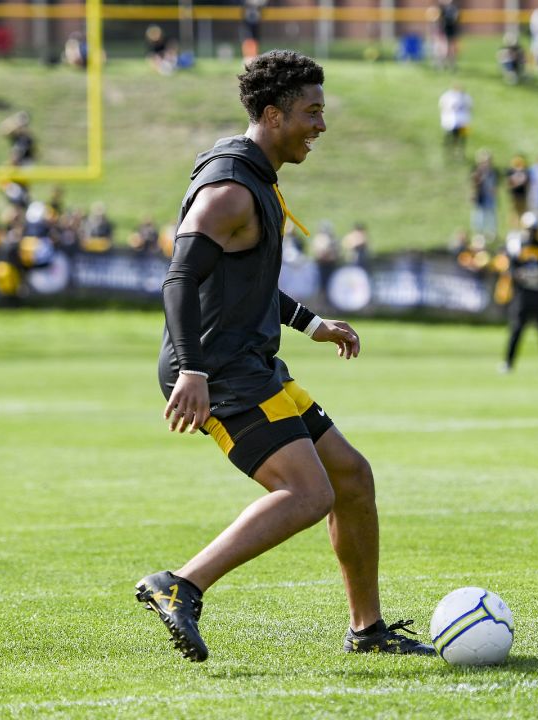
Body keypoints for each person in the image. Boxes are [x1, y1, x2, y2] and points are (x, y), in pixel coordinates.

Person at [136, 50, 435, 663]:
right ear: (273, 116)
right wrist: (192, 369)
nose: (321, 125)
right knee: (309, 492)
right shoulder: (228, 191)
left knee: (350, 477)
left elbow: (245, 285)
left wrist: (311, 323)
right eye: (311, 112)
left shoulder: (258, 175)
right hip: (218, 371)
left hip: (249, 361)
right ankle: (181, 586)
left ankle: (367, 631)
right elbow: (179, 281)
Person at [500, 212, 538, 373]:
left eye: (534, 229)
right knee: (516, 330)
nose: (531, 233)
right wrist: (525, 275)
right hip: (522, 296)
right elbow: (512, 271)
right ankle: (508, 363)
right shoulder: (517, 245)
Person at [437, 83, 472, 159]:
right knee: (450, 137)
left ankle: (460, 154)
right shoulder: (448, 96)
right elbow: (443, 105)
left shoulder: (466, 97)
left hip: (463, 122)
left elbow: (470, 107)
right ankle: (448, 153)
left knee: (462, 139)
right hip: (451, 121)